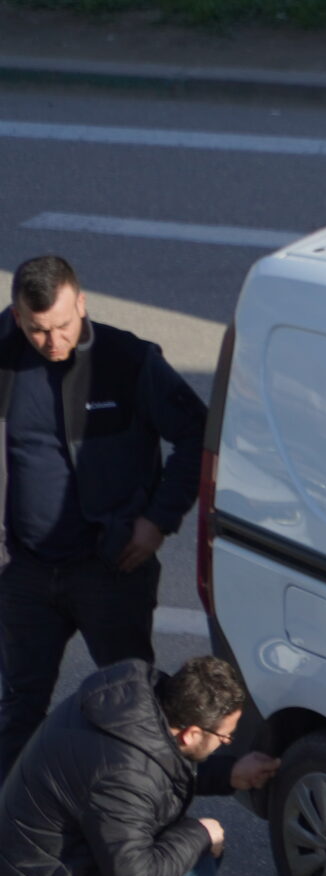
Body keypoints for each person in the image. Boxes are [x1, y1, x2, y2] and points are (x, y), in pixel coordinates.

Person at [1, 255, 208, 781]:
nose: (51, 342)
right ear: (17, 316)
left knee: (134, 707)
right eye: (37, 330)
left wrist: (157, 521)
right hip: (29, 570)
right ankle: (13, 832)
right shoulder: (5, 349)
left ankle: (153, 816)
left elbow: (196, 434)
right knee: (18, 709)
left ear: (83, 303)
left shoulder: (128, 361)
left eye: (63, 326)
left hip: (112, 565)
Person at [0, 656, 277, 876]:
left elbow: (159, 762)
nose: (226, 742)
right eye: (225, 737)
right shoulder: (123, 777)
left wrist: (227, 773)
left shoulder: (130, 704)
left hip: (36, 859)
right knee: (195, 871)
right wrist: (200, 833)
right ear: (192, 733)